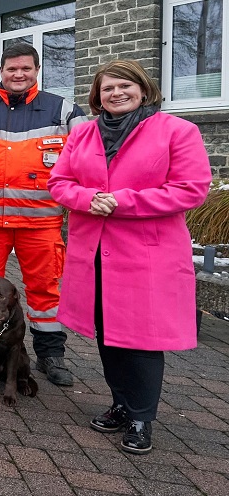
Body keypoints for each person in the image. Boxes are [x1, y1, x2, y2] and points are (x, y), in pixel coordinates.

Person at [48, 60, 210, 455]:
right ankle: (120, 403)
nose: (116, 93)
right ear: (96, 97)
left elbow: (191, 189)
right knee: (108, 332)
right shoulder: (83, 134)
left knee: (142, 338)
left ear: (143, 88)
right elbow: (60, 183)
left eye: (124, 86)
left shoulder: (177, 131)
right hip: (94, 253)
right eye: (107, 89)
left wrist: (122, 201)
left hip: (146, 254)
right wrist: (89, 198)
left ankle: (142, 416)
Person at [0, 42, 85, 386]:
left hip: (40, 222)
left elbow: (88, 161)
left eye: (26, 68)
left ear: (37, 70)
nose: (18, 74)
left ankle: (50, 355)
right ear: (1, 71)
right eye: (12, 68)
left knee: (44, 290)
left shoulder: (64, 112)